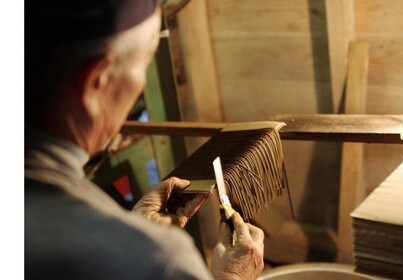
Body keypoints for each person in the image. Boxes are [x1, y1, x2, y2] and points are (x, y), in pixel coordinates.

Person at [25, 0, 264, 279]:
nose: (141, 84)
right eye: (144, 64)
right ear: (95, 83)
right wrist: (233, 276)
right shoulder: (160, 261)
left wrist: (132, 226)